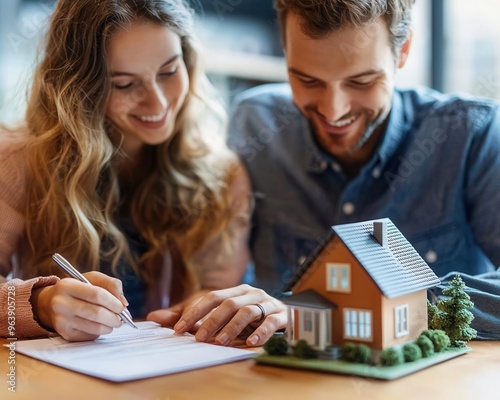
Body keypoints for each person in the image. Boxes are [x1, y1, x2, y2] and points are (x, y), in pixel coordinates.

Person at [0, 0, 286, 347]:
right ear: (77, 87)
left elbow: (214, 288)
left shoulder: (221, 175)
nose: (158, 103)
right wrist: (41, 305)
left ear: (189, 60)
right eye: (124, 84)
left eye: (168, 72)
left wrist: (215, 309)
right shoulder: (14, 162)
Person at [228, 0, 500, 338]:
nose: (333, 110)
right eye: (308, 80)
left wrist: (361, 308)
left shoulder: (471, 134)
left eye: (361, 82)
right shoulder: (257, 124)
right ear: (284, 48)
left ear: (403, 51)